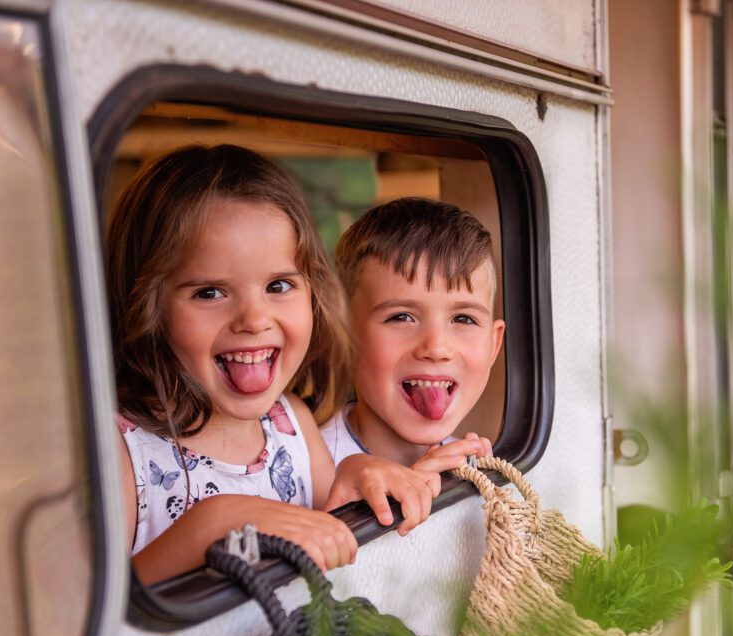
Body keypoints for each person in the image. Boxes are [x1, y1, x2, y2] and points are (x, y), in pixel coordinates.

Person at [107, 145, 438, 585]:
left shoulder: (292, 426)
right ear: (144, 305)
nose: (255, 319)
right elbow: (99, 615)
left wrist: (358, 472)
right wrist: (212, 524)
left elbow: (331, 533)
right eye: (209, 292)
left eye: (279, 285)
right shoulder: (121, 451)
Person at [321, 197, 506, 474]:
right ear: (344, 336)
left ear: (494, 345)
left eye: (463, 318)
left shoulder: (473, 467)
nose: (436, 346)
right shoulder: (307, 469)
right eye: (401, 317)